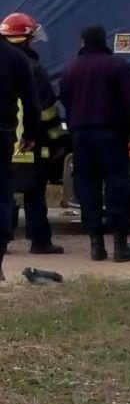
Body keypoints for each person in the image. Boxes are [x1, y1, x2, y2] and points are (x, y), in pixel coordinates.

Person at [60, 26, 130, 262]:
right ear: (104, 41)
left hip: (80, 136)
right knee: (117, 186)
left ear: (82, 43)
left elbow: (67, 103)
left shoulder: (69, 70)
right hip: (111, 135)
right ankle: (120, 245)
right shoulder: (117, 66)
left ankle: (96, 245)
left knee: (87, 189)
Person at [0, 13, 65, 254]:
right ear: (27, 38)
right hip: (25, 144)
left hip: (7, 140)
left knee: (5, 192)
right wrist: (57, 139)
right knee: (34, 193)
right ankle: (40, 242)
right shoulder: (32, 68)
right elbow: (44, 110)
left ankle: (4, 242)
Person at [0, 31, 39, 279]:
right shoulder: (15, 58)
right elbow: (31, 101)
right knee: (2, 193)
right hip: (2, 134)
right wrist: (31, 134)